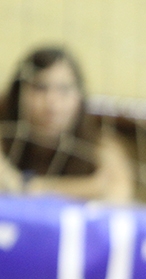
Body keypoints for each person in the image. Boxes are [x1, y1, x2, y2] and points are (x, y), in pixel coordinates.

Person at [0, 46, 133, 202]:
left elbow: (117, 192)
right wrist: (90, 187)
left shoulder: (100, 146)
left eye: (64, 89)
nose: (52, 104)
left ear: (80, 97)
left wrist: (29, 185)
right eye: (40, 88)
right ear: (18, 94)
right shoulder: (4, 137)